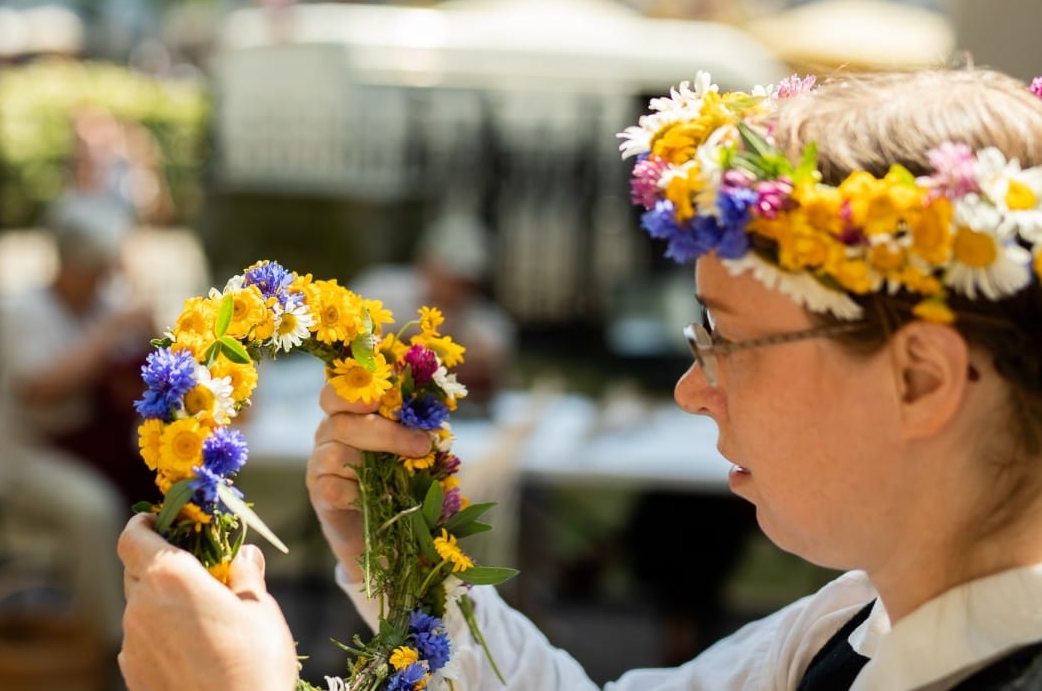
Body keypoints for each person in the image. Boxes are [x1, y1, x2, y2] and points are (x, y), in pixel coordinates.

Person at [118, 67, 1042, 690]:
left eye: (725, 339)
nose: (692, 386)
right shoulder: (855, 623)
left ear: (921, 377)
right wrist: (402, 570)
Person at [0, 191, 156, 649]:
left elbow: (134, 380)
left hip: (89, 448)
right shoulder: (23, 312)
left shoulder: (102, 305)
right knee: (93, 508)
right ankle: (113, 641)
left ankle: (161, 613)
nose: (103, 279)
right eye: (97, 269)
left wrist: (154, 333)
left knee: (170, 488)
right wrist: (110, 334)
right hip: (26, 456)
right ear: (71, 263)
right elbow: (41, 389)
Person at [349, 209, 518, 410]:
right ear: (425, 261)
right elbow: (350, 343)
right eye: (449, 273)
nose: (455, 286)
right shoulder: (380, 289)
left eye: (465, 279)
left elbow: (487, 376)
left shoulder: (488, 323)